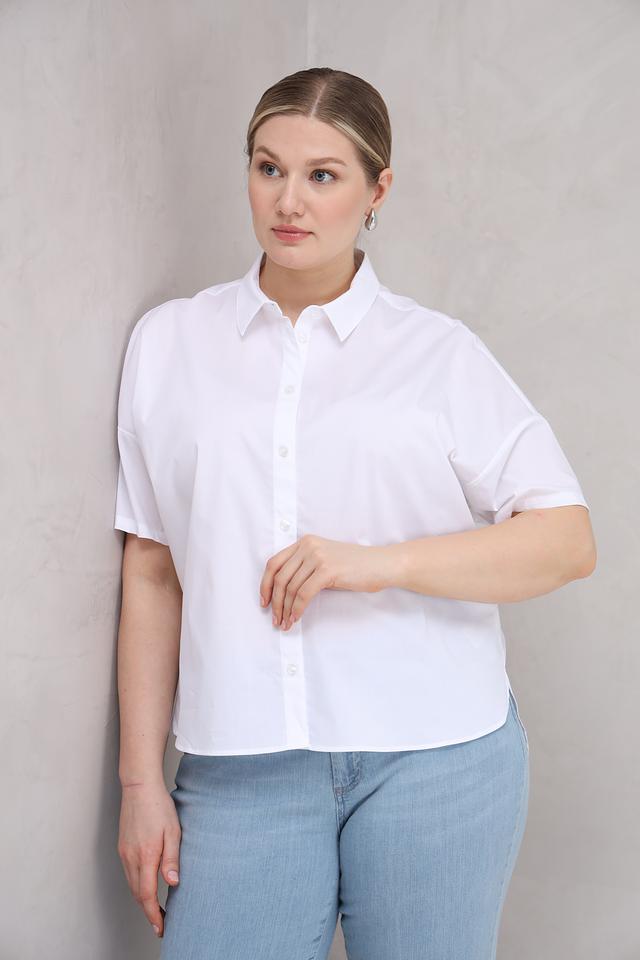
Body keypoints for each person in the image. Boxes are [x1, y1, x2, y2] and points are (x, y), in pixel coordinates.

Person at [114, 67, 596, 959]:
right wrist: (140, 783)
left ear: (377, 190)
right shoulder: (170, 343)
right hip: (241, 767)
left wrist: (376, 562)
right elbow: (151, 570)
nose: (288, 201)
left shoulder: (438, 355)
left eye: (323, 175)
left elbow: (568, 540)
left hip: (438, 759)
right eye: (268, 168)